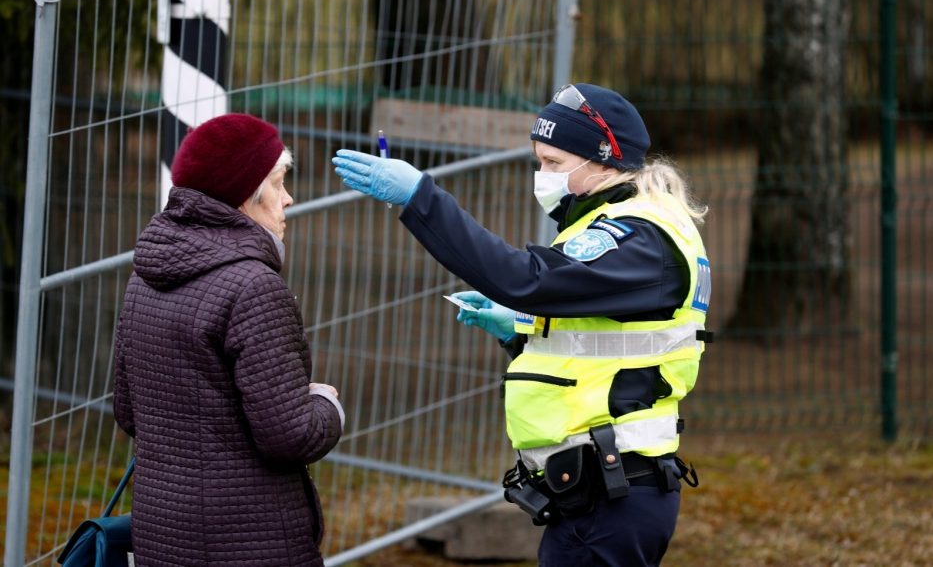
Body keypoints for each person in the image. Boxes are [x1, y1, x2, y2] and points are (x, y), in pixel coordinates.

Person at [332, 83, 711, 567]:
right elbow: (609, 349)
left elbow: (525, 280)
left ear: (605, 160)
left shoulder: (638, 237)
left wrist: (421, 198)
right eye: (538, 160)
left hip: (615, 492)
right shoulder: (625, 226)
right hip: (595, 489)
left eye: (554, 162)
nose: (542, 175)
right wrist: (518, 333)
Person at [113, 113, 344, 566]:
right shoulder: (253, 288)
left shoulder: (143, 278)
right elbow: (290, 437)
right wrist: (326, 404)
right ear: (244, 195)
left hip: (163, 535)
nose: (289, 199)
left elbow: (128, 411)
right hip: (251, 541)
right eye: (278, 185)